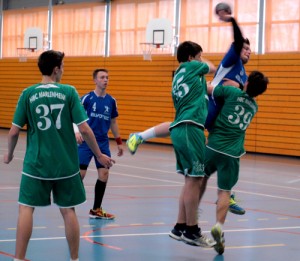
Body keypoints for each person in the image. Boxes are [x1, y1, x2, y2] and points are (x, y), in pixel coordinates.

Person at [126, 10, 250, 215]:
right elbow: (231, 48)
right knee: (205, 153)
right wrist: (232, 21)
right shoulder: (231, 62)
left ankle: (140, 136)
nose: (247, 51)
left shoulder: (242, 73)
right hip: (209, 110)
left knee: (221, 150)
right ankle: (221, 195)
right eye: (244, 48)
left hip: (217, 118)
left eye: (249, 49)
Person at [3, 50, 115, 261]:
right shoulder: (69, 92)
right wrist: (99, 154)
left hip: (36, 165)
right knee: (68, 211)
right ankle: (74, 259)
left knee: (26, 209)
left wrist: (8, 155)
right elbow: (85, 130)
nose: (64, 69)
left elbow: (14, 131)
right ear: (56, 70)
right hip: (65, 165)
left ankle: (18, 259)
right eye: (63, 66)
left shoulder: (27, 93)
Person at [204, 71, 269, 255]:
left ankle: (192, 217)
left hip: (213, 146)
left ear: (247, 82)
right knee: (225, 191)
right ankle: (218, 226)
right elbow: (244, 98)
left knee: (198, 179)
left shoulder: (231, 93)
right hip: (232, 154)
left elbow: (208, 89)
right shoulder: (254, 106)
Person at [168, 40, 216, 247]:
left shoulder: (179, 75)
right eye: (198, 56)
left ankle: (180, 226)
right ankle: (192, 230)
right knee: (196, 179)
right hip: (190, 128)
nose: (200, 60)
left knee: (190, 179)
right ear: (191, 57)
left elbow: (206, 88)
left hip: (181, 129)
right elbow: (212, 67)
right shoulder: (191, 66)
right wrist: (200, 59)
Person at [74, 68, 123, 220]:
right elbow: (75, 116)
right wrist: (76, 131)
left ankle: (96, 209)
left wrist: (119, 142)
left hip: (102, 142)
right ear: (95, 80)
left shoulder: (111, 101)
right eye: (102, 77)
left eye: (107, 77)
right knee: (80, 174)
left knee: (104, 173)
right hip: (86, 141)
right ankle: (68, 206)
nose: (105, 80)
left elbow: (113, 122)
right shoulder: (86, 99)